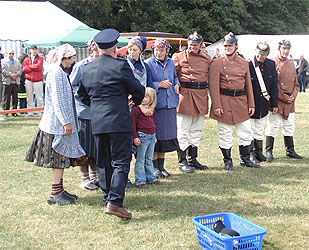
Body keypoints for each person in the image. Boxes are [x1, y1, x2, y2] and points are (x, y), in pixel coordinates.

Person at [77, 29, 145, 219]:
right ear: (115, 47)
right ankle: (115, 202)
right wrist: (135, 100)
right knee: (121, 161)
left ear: (97, 47)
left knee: (104, 162)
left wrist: (97, 105)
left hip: (98, 121)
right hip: (119, 120)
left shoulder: (87, 68)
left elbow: (82, 95)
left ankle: (107, 198)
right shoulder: (121, 66)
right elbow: (138, 89)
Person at [25, 43, 86, 205]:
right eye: (72, 58)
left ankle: (59, 190)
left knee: (60, 160)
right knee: (57, 160)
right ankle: (55, 193)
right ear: (64, 58)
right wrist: (66, 122)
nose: (73, 61)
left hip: (58, 124)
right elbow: (58, 101)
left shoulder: (58, 71)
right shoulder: (57, 73)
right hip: (56, 125)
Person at [209, 32, 259, 170]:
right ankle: (228, 160)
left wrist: (251, 104)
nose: (227, 48)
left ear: (236, 46)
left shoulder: (244, 62)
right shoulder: (217, 62)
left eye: (230, 45)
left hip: (241, 101)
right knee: (225, 132)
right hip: (224, 100)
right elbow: (213, 86)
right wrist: (216, 105)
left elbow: (248, 84)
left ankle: (245, 159)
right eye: (225, 45)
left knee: (246, 131)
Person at [172, 31, 209, 173]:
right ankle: (182, 160)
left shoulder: (206, 58)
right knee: (183, 130)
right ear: (188, 44)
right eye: (191, 44)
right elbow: (172, 74)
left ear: (201, 45)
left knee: (196, 129)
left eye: (196, 45)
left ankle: (192, 158)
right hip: (185, 95)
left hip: (200, 95)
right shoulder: (178, 56)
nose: (193, 47)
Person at [145, 39, 180, 178]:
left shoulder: (171, 62)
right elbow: (146, 83)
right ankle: (154, 168)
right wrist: (158, 84)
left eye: (162, 50)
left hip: (170, 103)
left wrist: (176, 84)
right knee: (156, 137)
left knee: (166, 137)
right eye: (157, 50)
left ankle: (162, 166)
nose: (159, 52)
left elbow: (175, 76)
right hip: (157, 105)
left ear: (167, 51)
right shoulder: (148, 64)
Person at [265, 40, 303, 161]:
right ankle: (269, 151)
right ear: (279, 49)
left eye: (288, 48)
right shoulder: (272, 62)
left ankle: (290, 150)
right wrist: (284, 97)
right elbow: (273, 84)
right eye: (283, 48)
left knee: (289, 125)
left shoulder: (291, 63)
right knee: (273, 125)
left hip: (290, 100)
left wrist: (293, 96)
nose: (286, 51)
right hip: (277, 99)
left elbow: (296, 83)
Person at [70, 39, 100, 191]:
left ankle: (95, 176)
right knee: (85, 146)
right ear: (91, 50)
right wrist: (85, 98)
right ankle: (85, 178)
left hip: (99, 112)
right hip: (84, 111)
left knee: (96, 146)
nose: (98, 53)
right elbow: (73, 85)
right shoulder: (81, 66)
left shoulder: (102, 64)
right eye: (96, 50)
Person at [248, 41, 278, 163]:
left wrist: (274, 103)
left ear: (268, 54)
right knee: (249, 129)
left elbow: (273, 85)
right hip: (251, 101)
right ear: (256, 51)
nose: (261, 56)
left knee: (259, 128)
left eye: (263, 54)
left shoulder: (271, 65)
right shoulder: (249, 64)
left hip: (264, 102)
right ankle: (250, 153)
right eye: (259, 53)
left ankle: (258, 152)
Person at [131, 87, 161, 188]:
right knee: (140, 160)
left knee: (149, 158)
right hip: (142, 136)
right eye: (142, 96)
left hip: (151, 136)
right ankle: (140, 180)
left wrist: (155, 135)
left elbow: (153, 123)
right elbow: (133, 124)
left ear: (152, 99)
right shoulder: (136, 110)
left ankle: (151, 177)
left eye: (146, 97)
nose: (143, 99)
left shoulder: (152, 110)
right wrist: (135, 137)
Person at [23, 45, 44, 116]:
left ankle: (40, 111)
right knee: (29, 97)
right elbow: (24, 69)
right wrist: (33, 67)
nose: (34, 51)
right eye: (33, 49)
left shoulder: (40, 58)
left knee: (39, 97)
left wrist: (29, 67)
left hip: (38, 80)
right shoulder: (26, 59)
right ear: (30, 50)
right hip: (29, 80)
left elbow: (38, 67)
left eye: (35, 49)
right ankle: (30, 112)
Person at [1, 49, 22, 117]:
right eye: (10, 53)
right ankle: (5, 112)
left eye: (12, 53)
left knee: (15, 98)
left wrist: (16, 74)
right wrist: (11, 75)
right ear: (7, 54)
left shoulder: (17, 61)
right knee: (6, 98)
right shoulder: (3, 61)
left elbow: (20, 70)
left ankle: (14, 111)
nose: (11, 55)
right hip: (7, 82)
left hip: (15, 82)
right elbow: (3, 71)